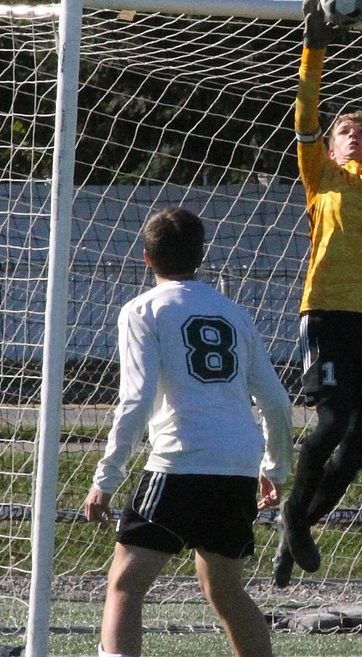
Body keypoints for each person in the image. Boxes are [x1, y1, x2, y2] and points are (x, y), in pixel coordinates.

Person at [83, 207, 294, 657]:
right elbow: (276, 401)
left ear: (146, 258)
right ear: (202, 256)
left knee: (124, 585)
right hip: (237, 468)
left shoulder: (143, 310)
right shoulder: (234, 312)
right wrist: (274, 469)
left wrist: (107, 478)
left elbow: (135, 400)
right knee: (226, 591)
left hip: (179, 463)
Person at [274, 0, 362, 587]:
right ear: (328, 148)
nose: (354, 133)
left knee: (358, 445)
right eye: (343, 130)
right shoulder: (318, 175)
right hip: (327, 312)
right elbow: (304, 119)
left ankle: (295, 525)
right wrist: (314, 49)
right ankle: (294, 520)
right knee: (328, 424)